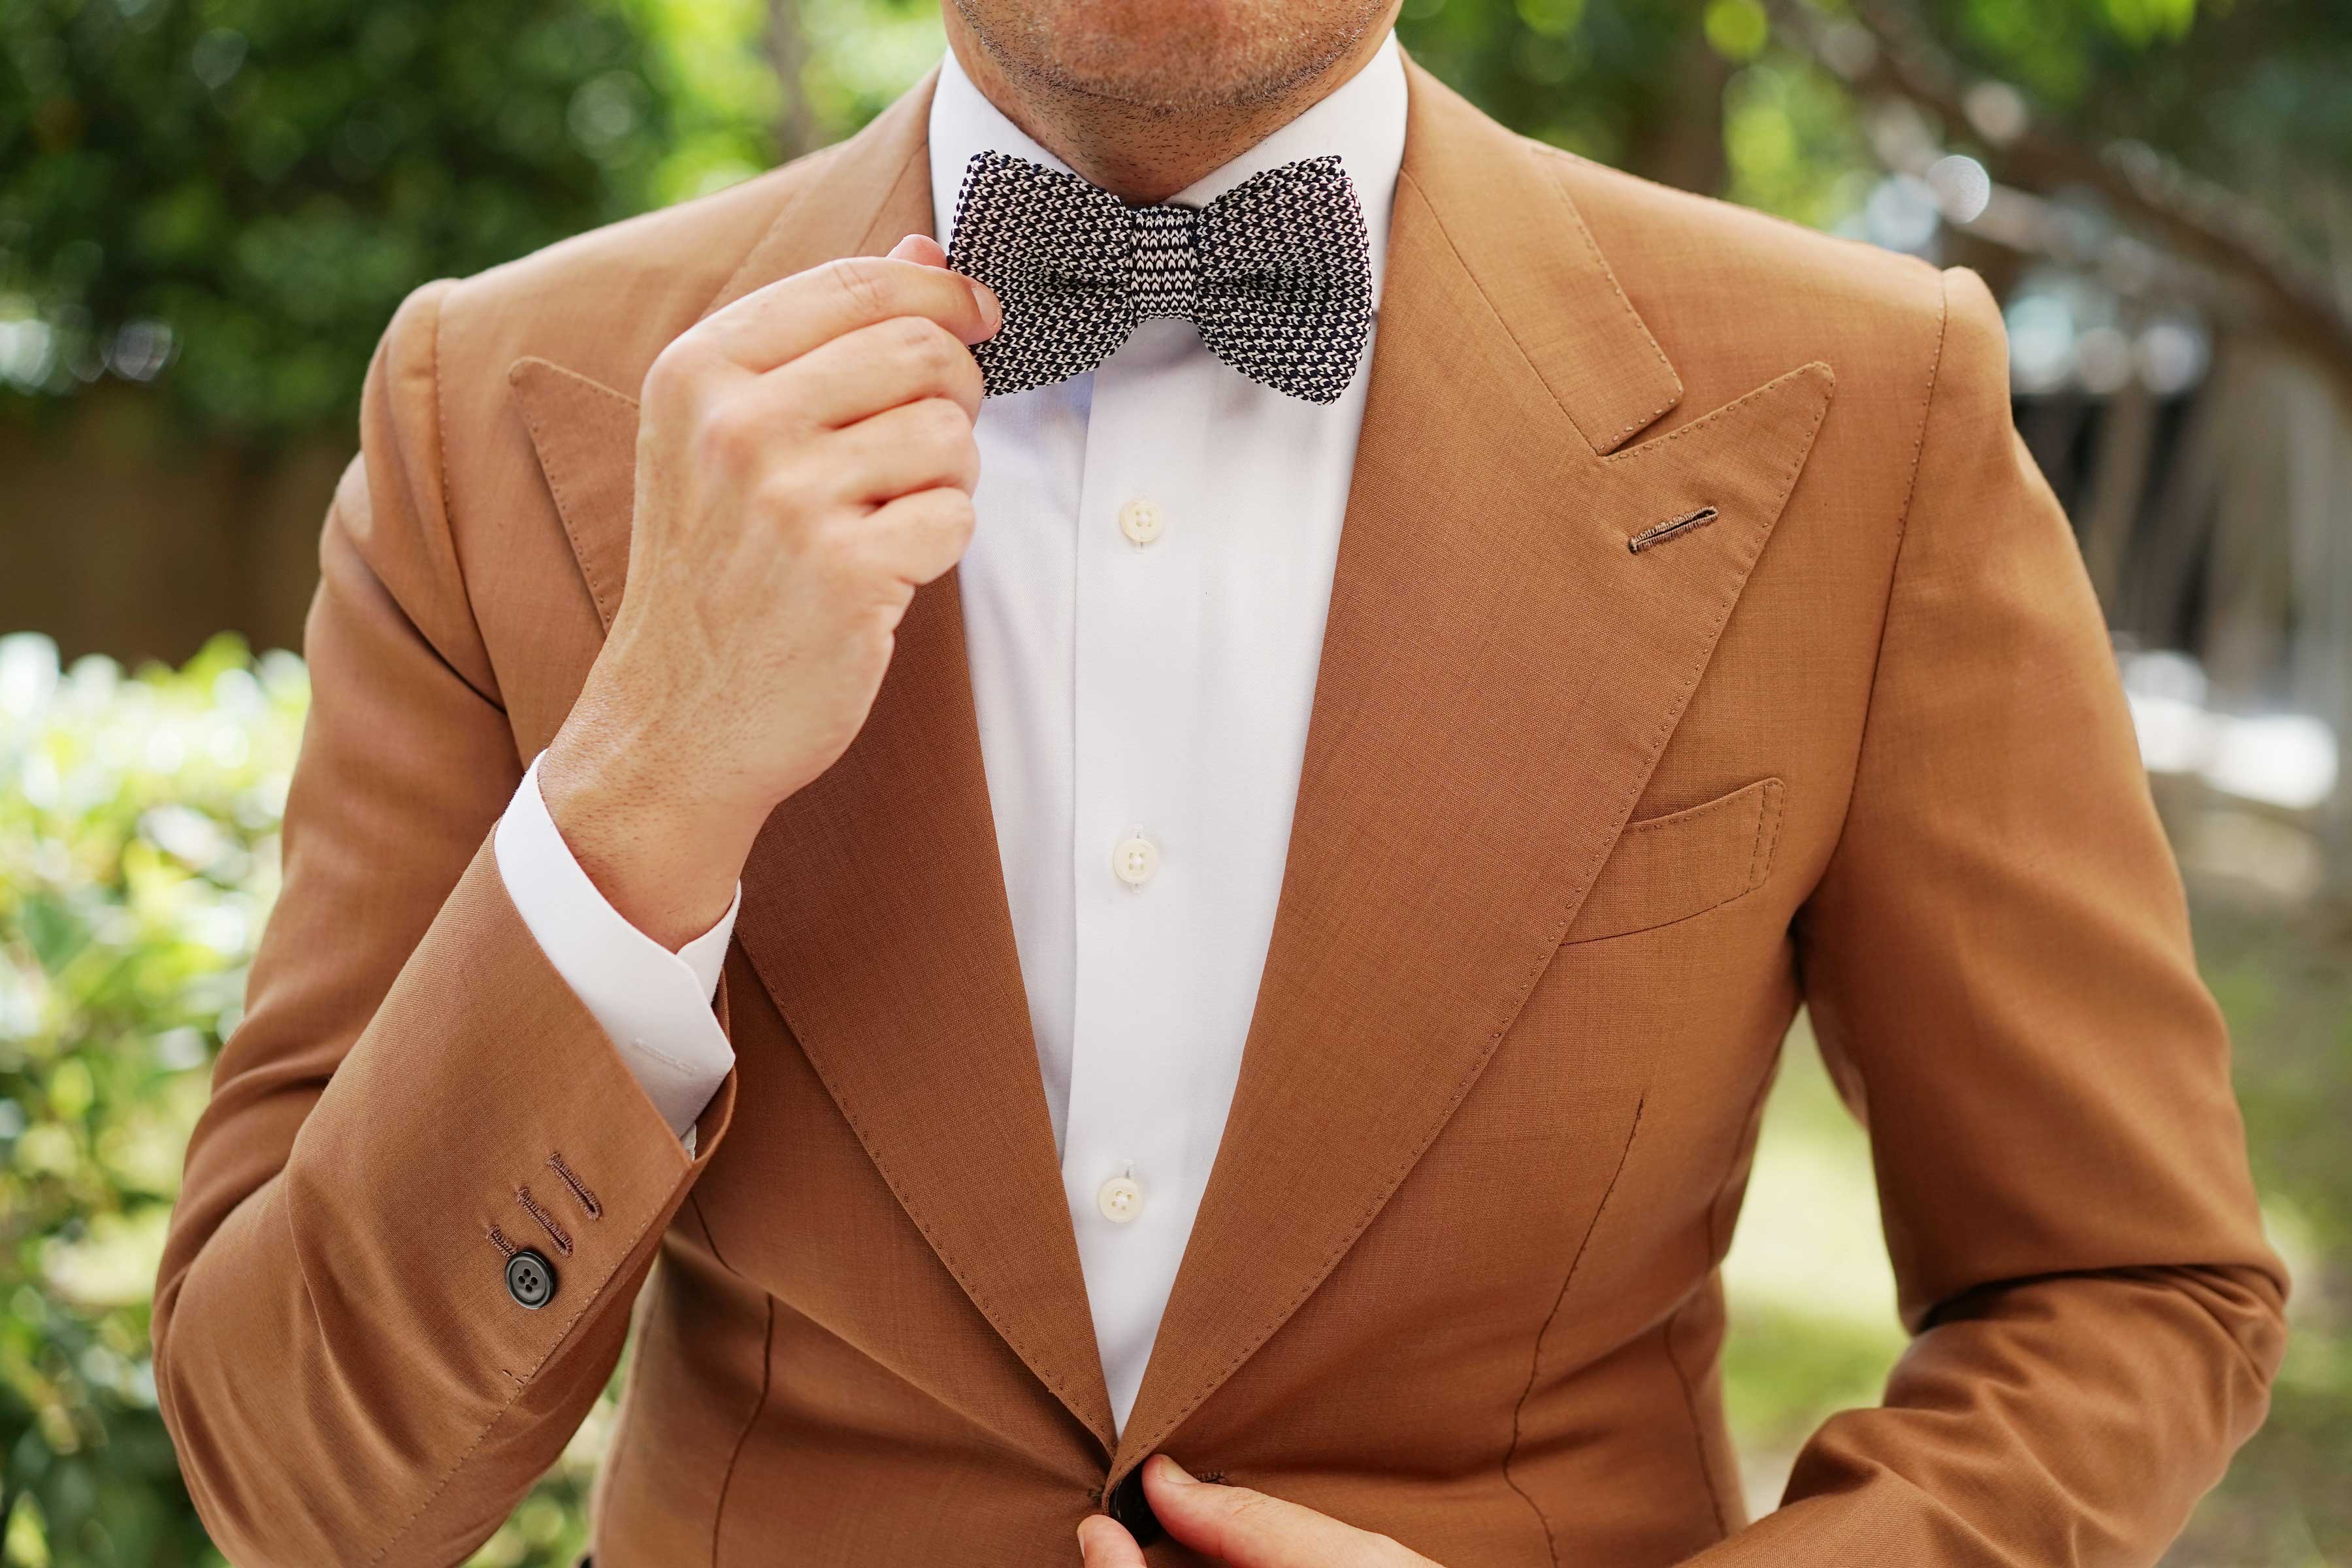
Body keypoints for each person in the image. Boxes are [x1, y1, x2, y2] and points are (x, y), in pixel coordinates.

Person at [151, 1, 2287, 1563]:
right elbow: (299, 1483)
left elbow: (2128, 1295)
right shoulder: (492, 407)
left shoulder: (1869, 405)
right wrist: (650, 772)